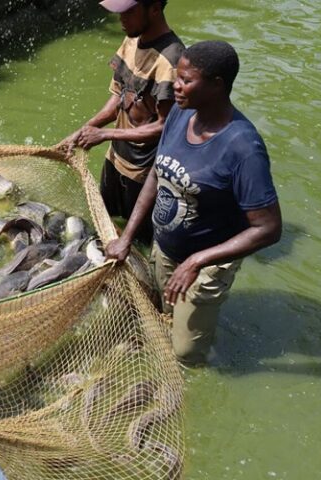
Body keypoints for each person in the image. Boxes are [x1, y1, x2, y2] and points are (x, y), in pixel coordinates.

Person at [105, 41, 282, 365]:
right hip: (168, 245)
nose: (176, 85)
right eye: (178, 77)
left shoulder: (243, 148)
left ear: (216, 85)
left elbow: (268, 228)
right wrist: (127, 237)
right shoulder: (180, 114)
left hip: (209, 260)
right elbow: (157, 176)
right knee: (164, 312)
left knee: (187, 354)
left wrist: (198, 261)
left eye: (186, 80)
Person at [59, 0, 184, 244]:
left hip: (144, 173)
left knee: (138, 241)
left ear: (155, 8)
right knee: (102, 226)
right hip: (115, 159)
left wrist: (105, 135)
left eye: (129, 12)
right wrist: (86, 129)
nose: (122, 19)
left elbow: (165, 126)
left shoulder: (171, 61)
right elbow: (119, 96)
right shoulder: (132, 38)